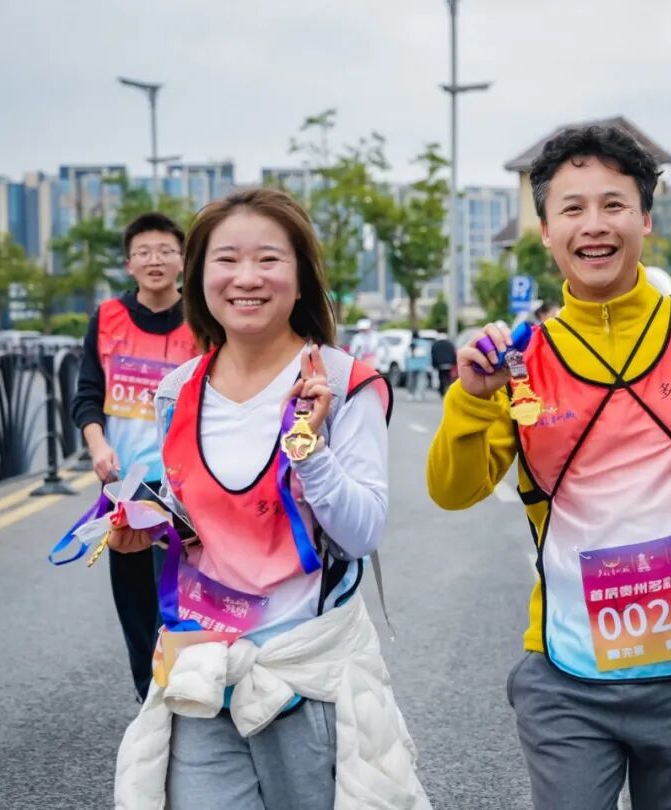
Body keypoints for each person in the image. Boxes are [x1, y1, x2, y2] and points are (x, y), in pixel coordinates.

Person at [426, 126, 671, 810]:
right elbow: (453, 492)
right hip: (565, 671)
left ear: (645, 218)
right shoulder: (519, 362)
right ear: (547, 232)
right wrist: (469, 398)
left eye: (613, 205)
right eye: (572, 209)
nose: (594, 226)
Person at [109, 188, 428, 809]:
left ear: (301, 278)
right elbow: (200, 529)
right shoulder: (177, 391)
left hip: (305, 673)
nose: (246, 278)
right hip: (203, 665)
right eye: (226, 260)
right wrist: (144, 528)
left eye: (269, 260)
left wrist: (309, 447)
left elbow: (362, 532)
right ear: (197, 277)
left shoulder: (342, 383)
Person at [71, 211, 198, 702]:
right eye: (144, 252)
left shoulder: (203, 318)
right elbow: (86, 394)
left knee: (188, 592)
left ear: (183, 260)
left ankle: (190, 691)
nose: (155, 261)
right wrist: (97, 445)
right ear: (129, 263)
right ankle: (150, 698)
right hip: (125, 484)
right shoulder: (107, 319)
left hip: (188, 484)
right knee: (135, 600)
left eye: (166, 251)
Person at [406, 329, 432, 401]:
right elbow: (428, 355)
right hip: (422, 365)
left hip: (411, 366)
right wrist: (428, 364)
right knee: (421, 380)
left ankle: (410, 394)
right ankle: (419, 394)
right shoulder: (425, 343)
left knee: (411, 381)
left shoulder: (410, 343)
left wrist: (406, 365)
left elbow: (406, 356)